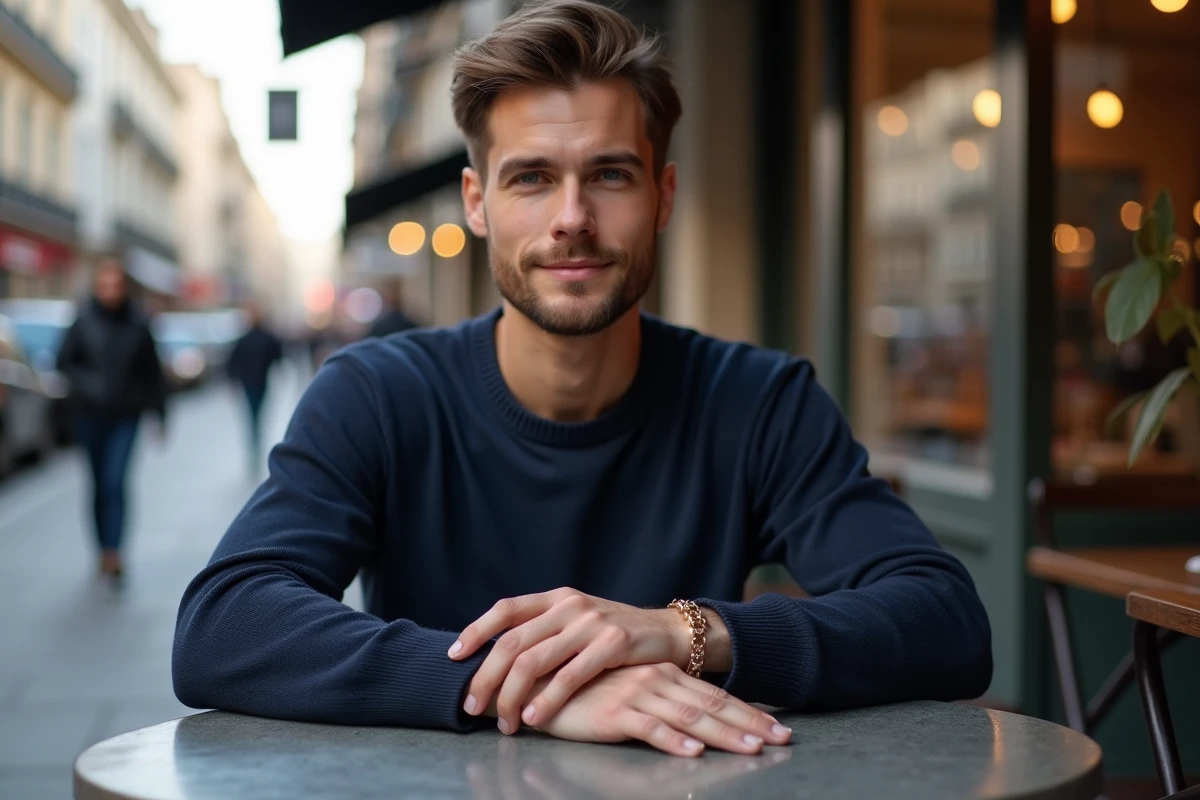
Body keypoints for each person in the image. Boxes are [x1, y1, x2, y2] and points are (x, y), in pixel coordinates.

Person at [174, 0, 992, 758]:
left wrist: (682, 633)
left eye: (609, 174)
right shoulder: (378, 394)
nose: (572, 217)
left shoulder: (757, 400)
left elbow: (945, 621)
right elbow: (225, 626)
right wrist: (523, 689)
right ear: (478, 201)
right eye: (531, 177)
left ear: (663, 195)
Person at [56, 260, 167, 581]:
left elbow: (154, 375)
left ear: (124, 287)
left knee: (114, 482)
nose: (110, 291)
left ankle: (114, 552)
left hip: (125, 416)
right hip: (88, 416)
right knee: (96, 485)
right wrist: (87, 385)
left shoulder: (138, 325)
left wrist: (160, 415)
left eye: (115, 284)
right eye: (104, 284)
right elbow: (64, 362)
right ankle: (101, 548)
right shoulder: (83, 321)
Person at [225, 302, 284, 473]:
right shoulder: (266, 337)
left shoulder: (246, 338)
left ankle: (254, 443)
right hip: (259, 382)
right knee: (257, 414)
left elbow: (233, 361)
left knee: (253, 415)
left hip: (250, 382)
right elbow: (277, 356)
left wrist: (233, 380)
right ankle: (255, 443)